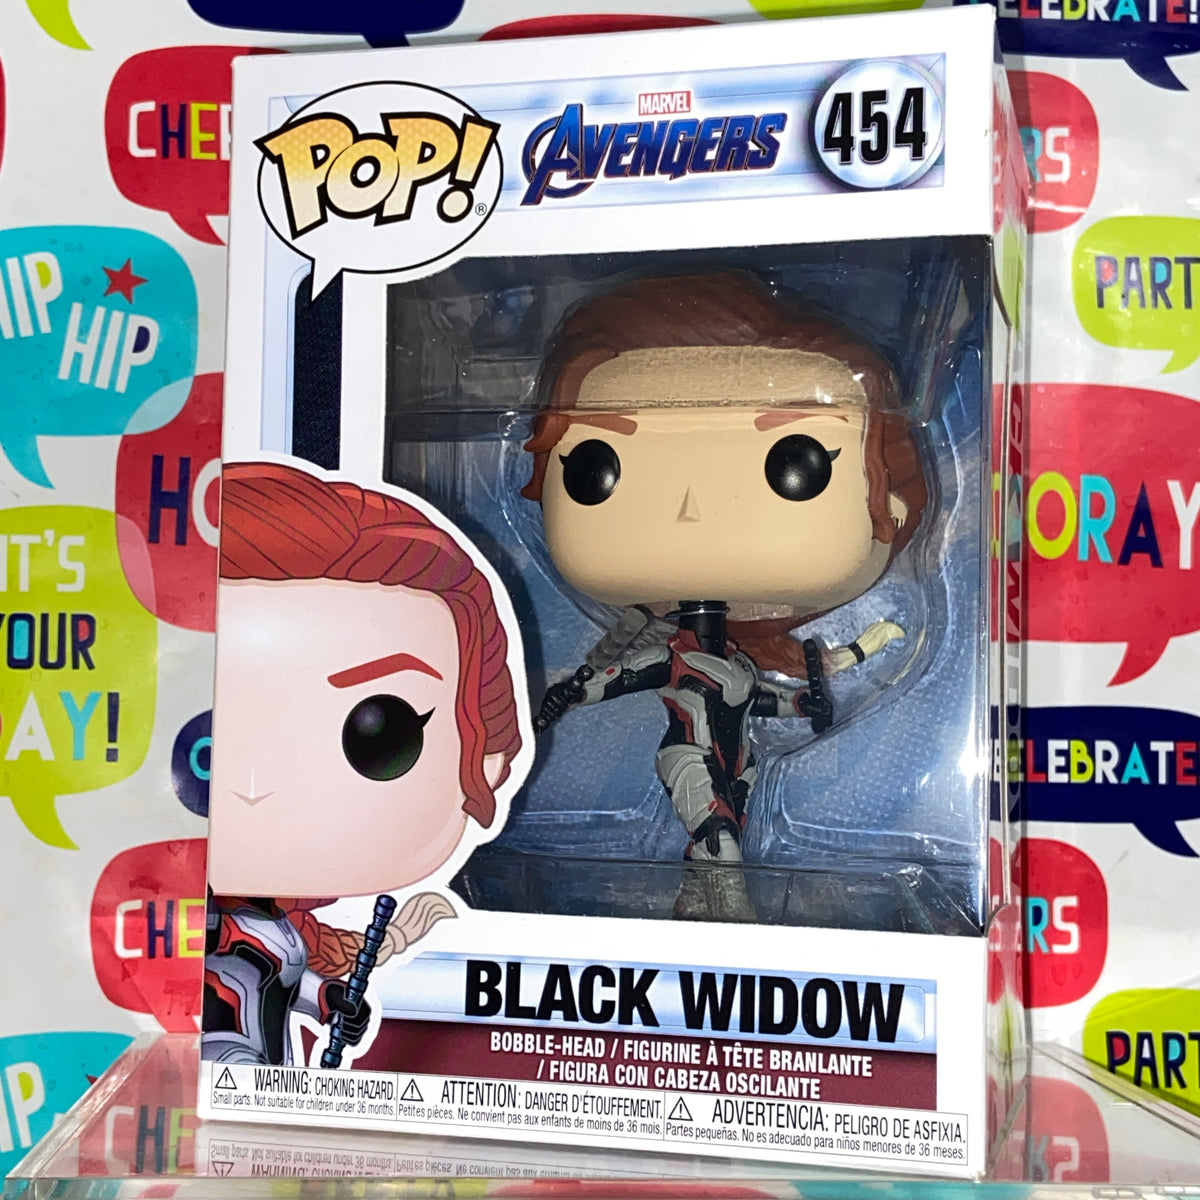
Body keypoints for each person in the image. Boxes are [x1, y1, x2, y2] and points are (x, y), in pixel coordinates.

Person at [525, 271, 927, 921]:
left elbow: (764, 698)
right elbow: (619, 676)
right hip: (689, 758)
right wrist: (569, 695)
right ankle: (731, 916)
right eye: (596, 466)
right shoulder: (675, 657)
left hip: (735, 762)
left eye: (795, 461)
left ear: (890, 496)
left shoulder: (733, 663)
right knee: (718, 836)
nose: (689, 508)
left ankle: (696, 904)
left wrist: (819, 687)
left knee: (717, 834)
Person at [202, 461, 526, 1065]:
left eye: (382, 735)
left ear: (486, 759)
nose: (254, 785)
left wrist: (333, 1003)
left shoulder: (276, 928)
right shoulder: (195, 922)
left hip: (268, 1085)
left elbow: (289, 980)